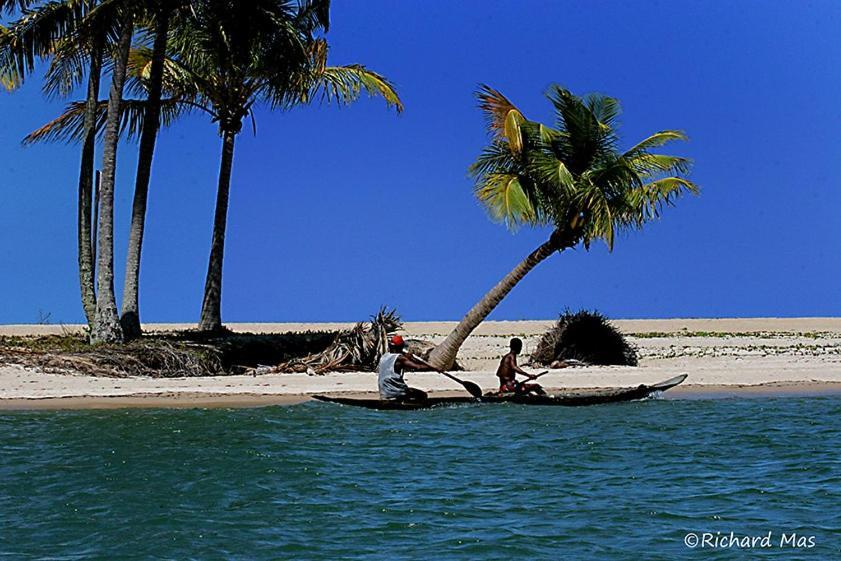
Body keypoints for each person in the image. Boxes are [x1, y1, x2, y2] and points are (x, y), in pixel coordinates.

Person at [377, 335, 430, 401]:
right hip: (397, 391)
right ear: (401, 347)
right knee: (422, 395)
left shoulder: (384, 356)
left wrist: (408, 357)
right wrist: (435, 368)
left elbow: (398, 360)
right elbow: (418, 367)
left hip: (384, 393)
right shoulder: (400, 358)